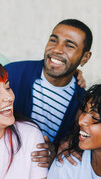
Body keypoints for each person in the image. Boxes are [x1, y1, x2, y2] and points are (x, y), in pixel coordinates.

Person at [5, 19, 92, 153]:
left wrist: (54, 156)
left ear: (85, 58)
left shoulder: (82, 104)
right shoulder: (12, 74)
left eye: (69, 46)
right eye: (53, 40)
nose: (57, 49)